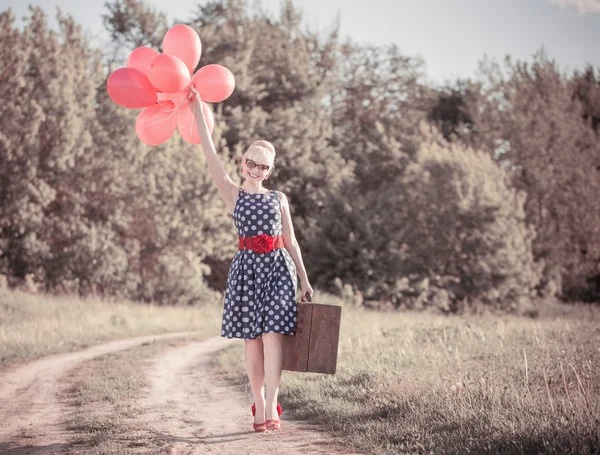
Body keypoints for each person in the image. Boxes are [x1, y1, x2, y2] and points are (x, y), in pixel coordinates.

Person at [192, 95, 314, 432]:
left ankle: (273, 403)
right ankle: (258, 402)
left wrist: (304, 278)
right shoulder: (233, 193)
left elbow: (290, 240)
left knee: (273, 336)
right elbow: (209, 152)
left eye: (264, 167)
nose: (257, 170)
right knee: (252, 339)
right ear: (243, 162)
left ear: (270, 170)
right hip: (246, 271)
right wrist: (196, 109)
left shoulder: (279, 199)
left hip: (278, 270)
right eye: (252, 163)